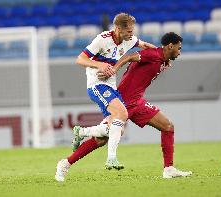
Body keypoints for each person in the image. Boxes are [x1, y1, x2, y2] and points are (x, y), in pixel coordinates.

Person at [55, 32, 192, 181]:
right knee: (101, 140)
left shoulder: (161, 58)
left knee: (167, 126)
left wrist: (165, 60)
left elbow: (150, 50)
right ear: (170, 46)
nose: (179, 52)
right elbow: (130, 56)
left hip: (138, 102)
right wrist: (114, 69)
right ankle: (66, 161)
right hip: (124, 101)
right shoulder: (153, 55)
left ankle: (169, 169)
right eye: (178, 48)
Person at [55, 13, 155, 182]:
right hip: (96, 85)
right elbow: (80, 59)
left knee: (111, 133)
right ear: (117, 29)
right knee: (122, 114)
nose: (131, 34)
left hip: (111, 87)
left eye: (132, 31)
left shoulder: (130, 39)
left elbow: (146, 46)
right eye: (128, 31)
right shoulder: (102, 39)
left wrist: (161, 57)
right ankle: (111, 158)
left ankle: (67, 159)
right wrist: (99, 64)